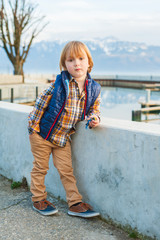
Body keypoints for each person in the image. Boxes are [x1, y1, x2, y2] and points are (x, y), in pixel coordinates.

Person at [28, 41, 101, 218]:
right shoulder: (60, 84)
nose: (76, 63)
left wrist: (94, 119)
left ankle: (74, 203)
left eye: (81, 59)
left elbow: (94, 109)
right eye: (71, 60)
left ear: (89, 63)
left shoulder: (94, 89)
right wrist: (33, 127)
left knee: (67, 171)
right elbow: (41, 102)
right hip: (43, 134)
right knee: (40, 168)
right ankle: (38, 199)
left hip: (62, 138)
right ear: (64, 65)